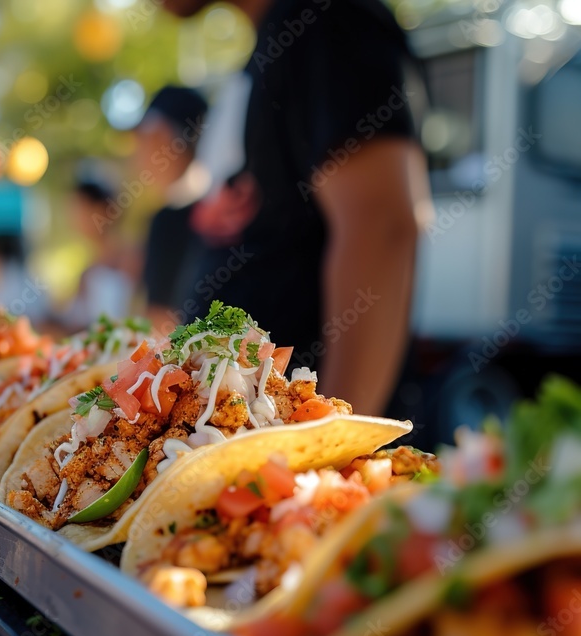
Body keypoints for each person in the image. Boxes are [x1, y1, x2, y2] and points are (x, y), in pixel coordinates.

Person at [161, 0, 433, 415]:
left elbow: (382, 225)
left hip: (290, 458)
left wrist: (332, 450)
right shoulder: (273, 45)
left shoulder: (325, 17)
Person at [134, 85, 210, 332]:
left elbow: (159, 325)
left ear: (163, 136)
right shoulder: (229, 207)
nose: (139, 156)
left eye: (144, 140)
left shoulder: (167, 222)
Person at [59, 172, 139, 329]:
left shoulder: (134, 257)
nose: (76, 218)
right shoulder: (88, 272)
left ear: (104, 208)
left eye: (81, 208)